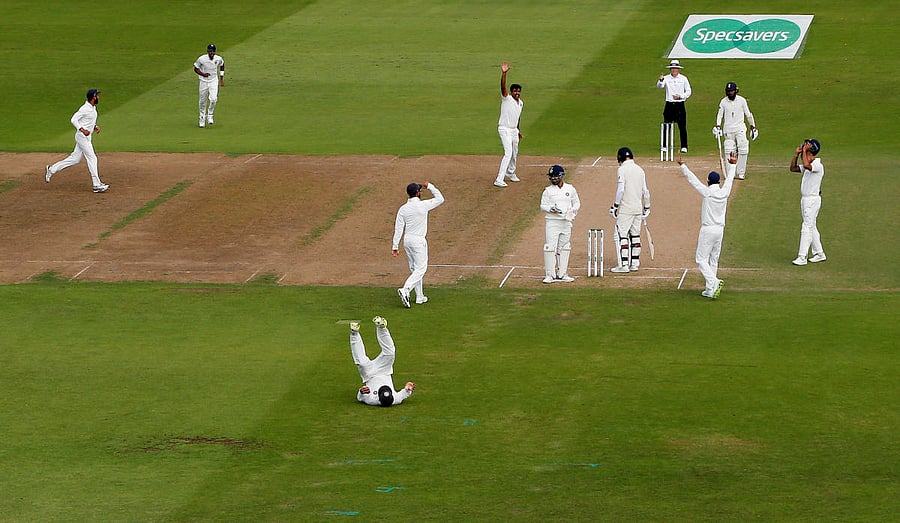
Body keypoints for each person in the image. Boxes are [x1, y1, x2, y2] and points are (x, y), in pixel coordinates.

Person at [677, 151, 738, 299]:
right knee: (713, 260)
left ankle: (714, 282)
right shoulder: (724, 192)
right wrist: (733, 164)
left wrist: (683, 166)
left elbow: (693, 181)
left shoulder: (707, 192)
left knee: (700, 259)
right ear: (718, 182)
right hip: (720, 230)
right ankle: (710, 289)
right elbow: (730, 179)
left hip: (708, 229)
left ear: (708, 182)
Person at [45, 89, 109, 193]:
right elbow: (73, 119)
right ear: (93, 97)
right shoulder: (84, 109)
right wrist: (82, 130)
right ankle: (96, 185)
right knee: (92, 158)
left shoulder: (92, 108)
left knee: (75, 159)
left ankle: (51, 169)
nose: (99, 97)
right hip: (82, 137)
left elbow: (88, 120)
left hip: (86, 137)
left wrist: (94, 127)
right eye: (97, 95)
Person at [392, 181, 445, 307]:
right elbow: (440, 199)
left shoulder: (403, 209)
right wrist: (431, 186)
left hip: (407, 240)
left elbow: (398, 228)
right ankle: (406, 290)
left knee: (415, 269)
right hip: (418, 241)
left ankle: (420, 297)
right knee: (421, 269)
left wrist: (395, 246)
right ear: (417, 193)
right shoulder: (423, 205)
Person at [350, 316, 415, 407]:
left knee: (361, 362)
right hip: (385, 371)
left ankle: (354, 333)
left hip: (369, 375)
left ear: (379, 398)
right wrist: (409, 387)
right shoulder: (395, 399)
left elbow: (360, 398)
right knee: (390, 353)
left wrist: (361, 391)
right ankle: (382, 327)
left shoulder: (372, 400)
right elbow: (404, 393)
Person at [609, 147, 650, 273]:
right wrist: (647, 207)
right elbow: (645, 191)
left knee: (620, 235)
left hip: (626, 208)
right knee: (635, 235)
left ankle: (623, 264)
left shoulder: (622, 169)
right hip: (638, 207)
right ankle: (635, 263)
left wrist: (615, 206)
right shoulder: (640, 169)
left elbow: (621, 189)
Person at [539, 165, 580, 283]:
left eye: (556, 176)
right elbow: (542, 206)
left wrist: (572, 211)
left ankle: (563, 273)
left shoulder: (570, 189)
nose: (553, 179)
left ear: (561, 176)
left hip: (566, 222)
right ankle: (550, 275)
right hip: (552, 222)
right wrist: (551, 209)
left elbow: (577, 203)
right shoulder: (548, 191)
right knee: (550, 247)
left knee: (564, 247)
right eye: (551, 177)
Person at [789, 139, 826, 266]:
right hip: (806, 200)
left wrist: (803, 151)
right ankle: (819, 253)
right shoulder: (808, 164)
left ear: (811, 150)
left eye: (806, 146)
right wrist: (796, 154)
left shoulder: (817, 165)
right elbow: (793, 168)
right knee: (812, 226)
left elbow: (806, 165)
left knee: (806, 226)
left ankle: (802, 257)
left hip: (812, 200)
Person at [713, 82, 758, 180]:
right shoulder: (723, 102)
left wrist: (753, 126)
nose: (730, 93)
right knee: (729, 149)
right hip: (728, 129)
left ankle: (741, 172)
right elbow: (720, 114)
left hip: (740, 128)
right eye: (728, 91)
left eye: (732, 91)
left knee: (743, 148)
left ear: (736, 91)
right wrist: (717, 126)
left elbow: (748, 114)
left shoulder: (741, 101)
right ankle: (730, 173)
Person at [494, 61, 523, 188]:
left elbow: (517, 117)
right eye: (515, 91)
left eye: (518, 91)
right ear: (511, 92)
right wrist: (504, 73)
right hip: (504, 128)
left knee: (515, 152)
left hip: (513, 130)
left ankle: (511, 172)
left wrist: (518, 130)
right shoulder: (507, 98)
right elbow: (502, 87)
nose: (517, 93)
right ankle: (499, 179)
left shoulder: (521, 103)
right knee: (508, 152)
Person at [656, 59, 692, 153]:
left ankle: (684, 146)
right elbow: (660, 86)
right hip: (669, 104)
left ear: (678, 69)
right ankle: (664, 146)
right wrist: (660, 80)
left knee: (682, 126)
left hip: (680, 104)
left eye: (675, 68)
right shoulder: (666, 78)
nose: (674, 70)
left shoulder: (683, 78)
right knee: (666, 125)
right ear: (670, 69)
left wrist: (680, 96)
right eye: (672, 68)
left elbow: (688, 91)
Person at [194, 44, 225, 128]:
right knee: (202, 101)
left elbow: (222, 65)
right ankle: (202, 118)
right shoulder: (202, 59)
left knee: (214, 99)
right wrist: (203, 74)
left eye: (213, 51)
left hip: (213, 81)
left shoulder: (218, 59)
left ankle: (210, 114)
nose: (211, 53)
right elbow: (196, 68)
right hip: (203, 81)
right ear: (207, 51)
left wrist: (221, 78)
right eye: (210, 51)